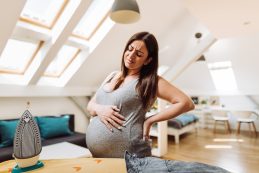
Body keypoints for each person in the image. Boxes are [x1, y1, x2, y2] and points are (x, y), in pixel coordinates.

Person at [86, 31, 194, 158]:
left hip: (130, 157)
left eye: (139, 54)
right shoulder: (112, 75)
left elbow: (186, 103)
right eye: (129, 49)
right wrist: (100, 109)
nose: (131, 56)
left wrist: (150, 121)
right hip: (98, 157)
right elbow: (90, 106)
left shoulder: (150, 81)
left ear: (148, 60)